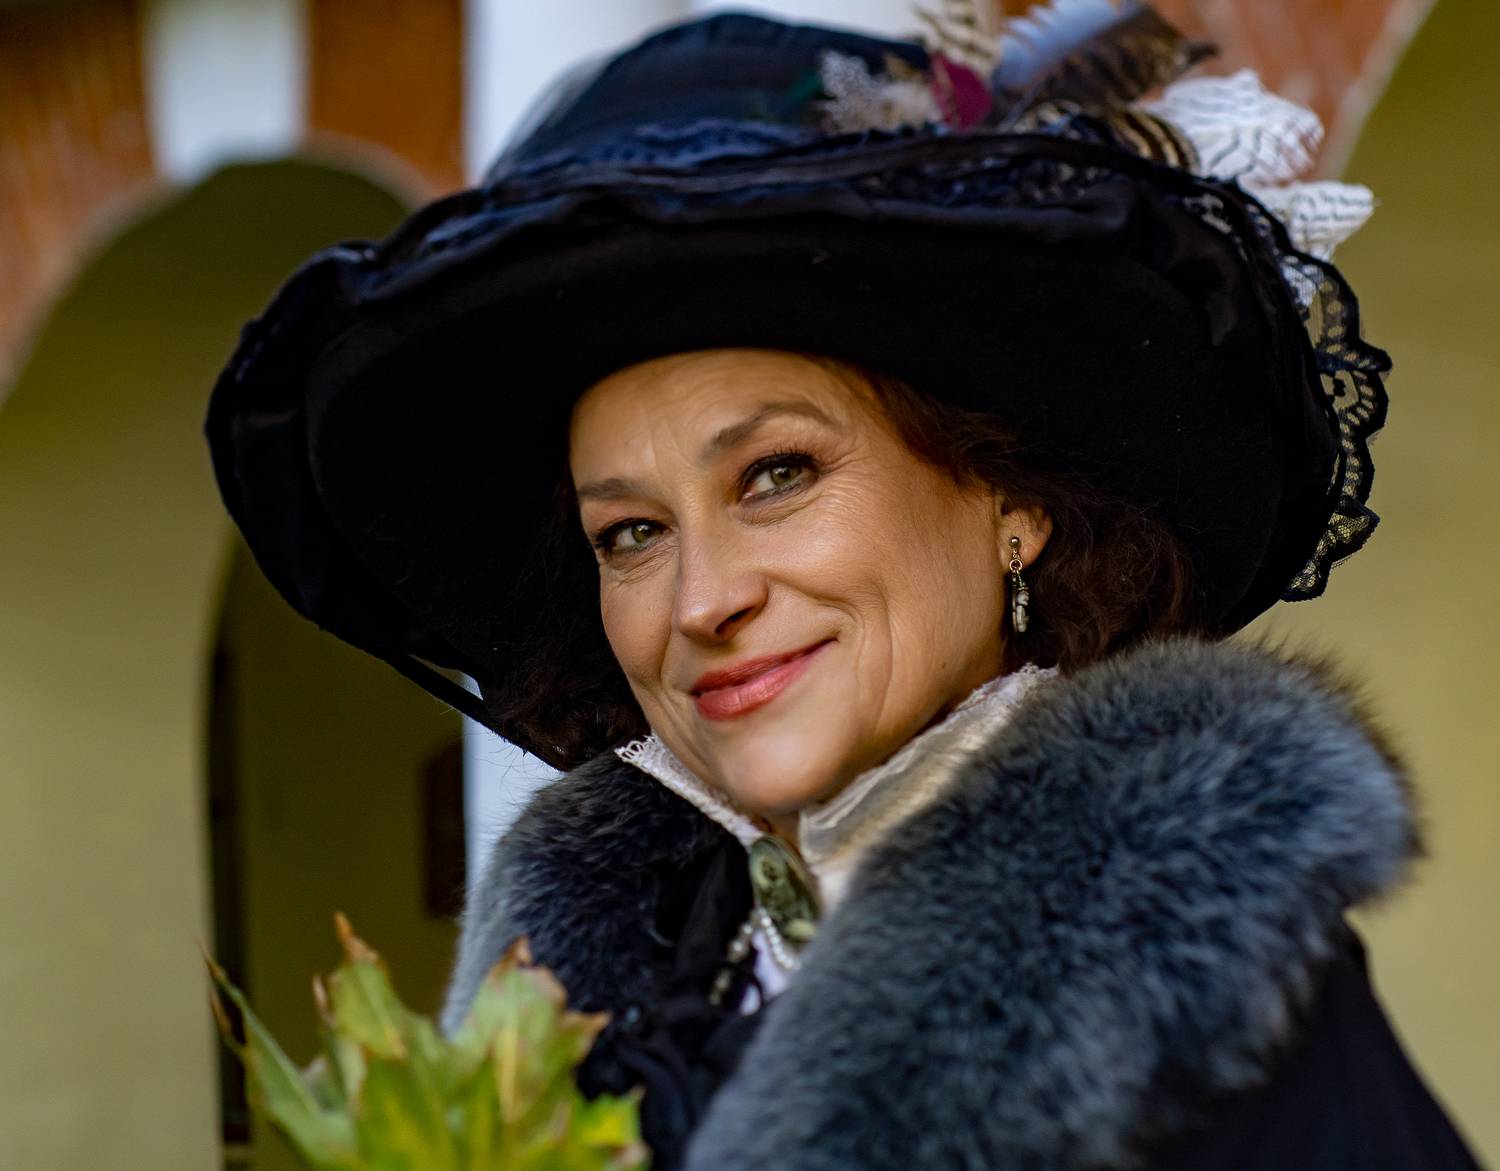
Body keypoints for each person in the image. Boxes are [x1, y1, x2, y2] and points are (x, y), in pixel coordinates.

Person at [206, 6, 1484, 1168]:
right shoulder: (581, 988)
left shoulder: (1215, 1021)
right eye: (631, 533)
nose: (701, 600)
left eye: (777, 474)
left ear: (1012, 501)